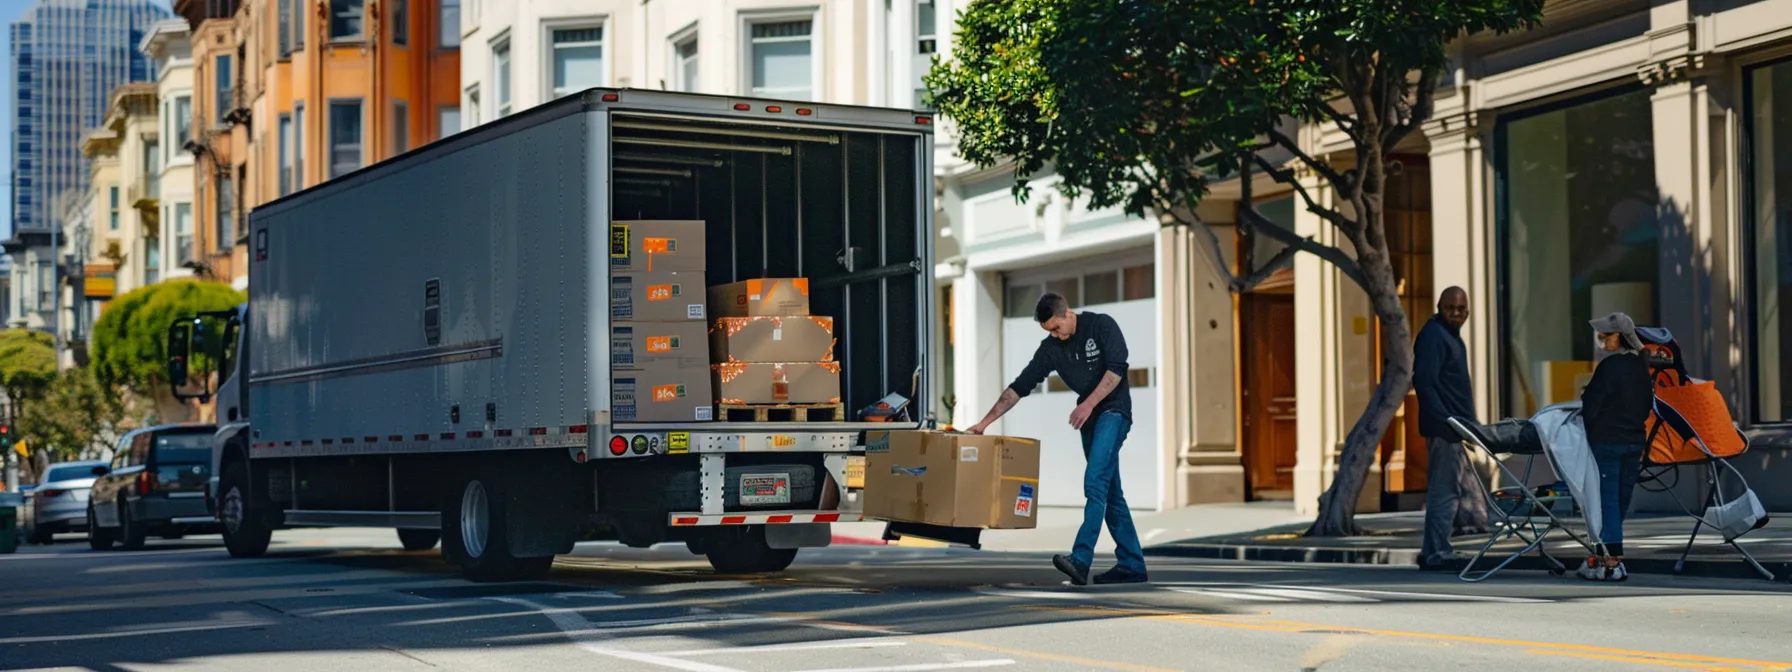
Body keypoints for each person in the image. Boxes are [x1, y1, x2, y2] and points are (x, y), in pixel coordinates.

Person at [966, 293, 1147, 585]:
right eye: (1049, 331)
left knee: (1095, 482)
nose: (1055, 335)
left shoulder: (1101, 326)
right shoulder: (1050, 349)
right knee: (1110, 492)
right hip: (1090, 421)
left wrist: (1087, 404)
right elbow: (1019, 387)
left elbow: (1117, 369)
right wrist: (984, 424)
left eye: (1056, 328)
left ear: (1068, 314)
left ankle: (1081, 558)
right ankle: (1132, 564)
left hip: (1113, 413)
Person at [1413, 286, 1485, 570]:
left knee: (1452, 490)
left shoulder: (1452, 337)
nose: (1456, 314)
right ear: (1439, 307)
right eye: (1450, 308)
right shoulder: (1434, 335)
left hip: (1458, 427)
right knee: (1444, 492)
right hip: (1445, 428)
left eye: (1461, 309)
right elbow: (1425, 382)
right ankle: (1436, 553)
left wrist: (1471, 425)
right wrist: (1446, 420)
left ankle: (1435, 549)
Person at [1577, 312, 1652, 582]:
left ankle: (1611, 561)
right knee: (1619, 502)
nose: (1601, 342)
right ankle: (1604, 555)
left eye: (1605, 336)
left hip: (1607, 442)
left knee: (1606, 502)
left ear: (1618, 337)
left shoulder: (1609, 368)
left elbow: (1590, 406)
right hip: (1634, 442)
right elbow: (1646, 408)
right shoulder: (1641, 368)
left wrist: (1588, 429)